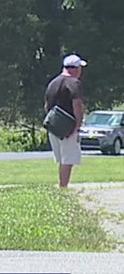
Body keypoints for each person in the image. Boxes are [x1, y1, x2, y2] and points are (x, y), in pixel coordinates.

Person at [45, 54, 86, 188]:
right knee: (68, 159)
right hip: (68, 127)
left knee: (62, 160)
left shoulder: (53, 83)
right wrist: (77, 125)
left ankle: (62, 184)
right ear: (75, 68)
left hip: (54, 126)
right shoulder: (74, 83)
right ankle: (63, 187)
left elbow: (47, 106)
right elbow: (77, 104)